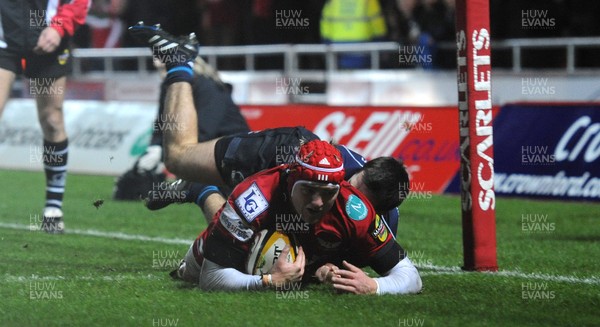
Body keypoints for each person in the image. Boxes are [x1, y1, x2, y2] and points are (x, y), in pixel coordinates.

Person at [128, 23, 421, 294]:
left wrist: (340, 275)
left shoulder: (362, 215)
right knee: (179, 158)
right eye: (348, 182)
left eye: (345, 192)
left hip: (295, 183)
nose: (344, 192)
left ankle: (200, 191)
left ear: (378, 210)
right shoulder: (317, 178)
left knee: (258, 254)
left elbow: (389, 272)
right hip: (279, 152)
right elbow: (215, 274)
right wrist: (270, 281)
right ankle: (180, 62)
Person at [0, 0, 90, 234]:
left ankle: (53, 208)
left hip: (49, 35)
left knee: (52, 119)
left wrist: (59, 26)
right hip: (4, 38)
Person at [112, 56, 250, 201]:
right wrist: (152, 151)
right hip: (200, 148)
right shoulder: (169, 86)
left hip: (230, 152)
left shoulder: (208, 86)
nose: (155, 59)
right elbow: (163, 125)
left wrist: (169, 152)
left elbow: (205, 132)